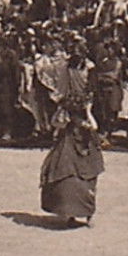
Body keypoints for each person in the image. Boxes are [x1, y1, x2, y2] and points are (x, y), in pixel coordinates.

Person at [39, 97, 103, 226]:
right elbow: (55, 123)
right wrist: (59, 110)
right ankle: (72, 215)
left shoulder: (83, 122)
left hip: (84, 154)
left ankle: (86, 215)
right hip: (71, 152)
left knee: (84, 185)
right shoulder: (69, 122)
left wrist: (88, 112)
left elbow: (94, 127)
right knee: (71, 184)